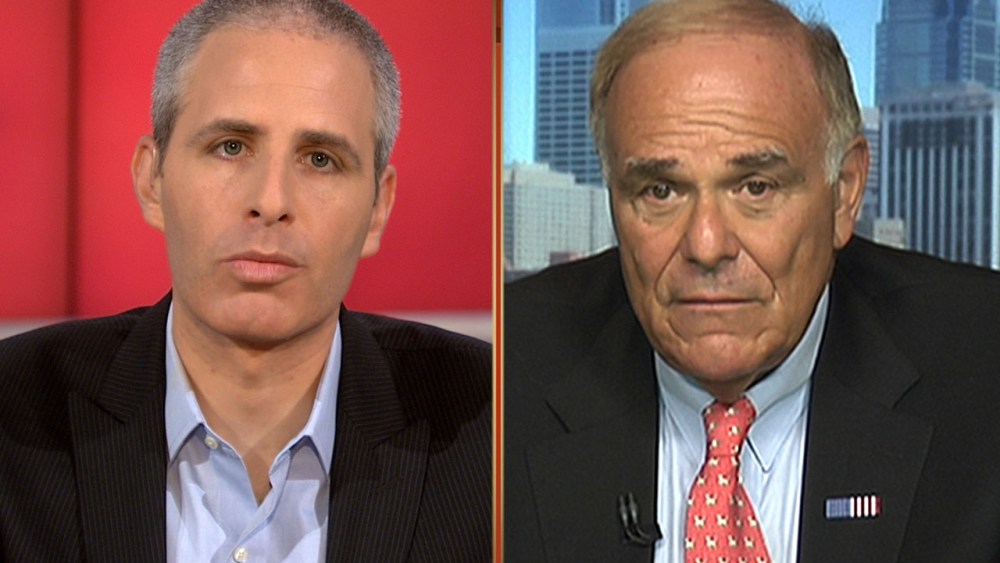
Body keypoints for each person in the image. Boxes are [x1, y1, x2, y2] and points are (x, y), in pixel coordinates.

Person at [504, 0, 1000, 561]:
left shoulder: (985, 366)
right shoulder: (495, 374)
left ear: (844, 192)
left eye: (756, 187)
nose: (706, 245)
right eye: (660, 192)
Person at [0, 1, 490, 561]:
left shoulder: (493, 423)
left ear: (378, 208)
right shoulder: (13, 413)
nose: (270, 201)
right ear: (152, 179)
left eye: (320, 159)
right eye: (230, 147)